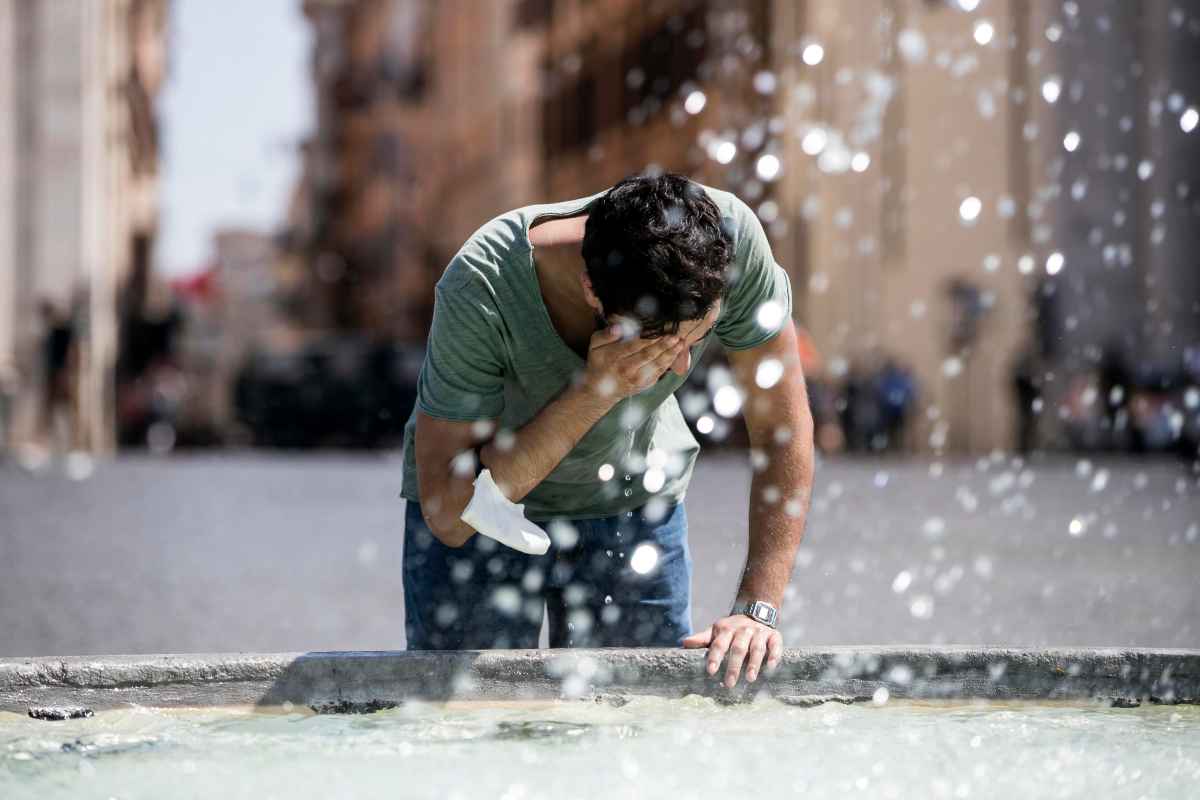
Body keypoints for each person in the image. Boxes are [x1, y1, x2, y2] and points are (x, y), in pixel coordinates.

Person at [399, 172, 815, 689]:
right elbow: (450, 516)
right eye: (658, 347)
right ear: (591, 288)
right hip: (479, 521)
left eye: (698, 337)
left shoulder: (731, 245)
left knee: (637, 734)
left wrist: (758, 610)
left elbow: (782, 429)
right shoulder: (482, 284)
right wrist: (596, 390)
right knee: (468, 732)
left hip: (632, 507)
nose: (683, 363)